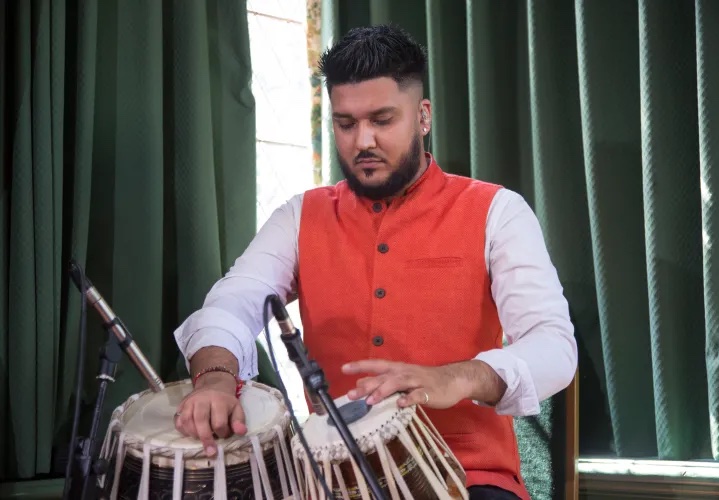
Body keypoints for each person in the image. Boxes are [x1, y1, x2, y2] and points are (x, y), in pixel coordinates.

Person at [173, 24, 577, 500]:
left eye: (382, 120)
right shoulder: (301, 216)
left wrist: (455, 376)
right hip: (333, 481)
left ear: (423, 117)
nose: (362, 140)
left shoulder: (498, 212)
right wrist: (216, 376)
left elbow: (553, 347)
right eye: (345, 124)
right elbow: (232, 302)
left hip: (466, 478)